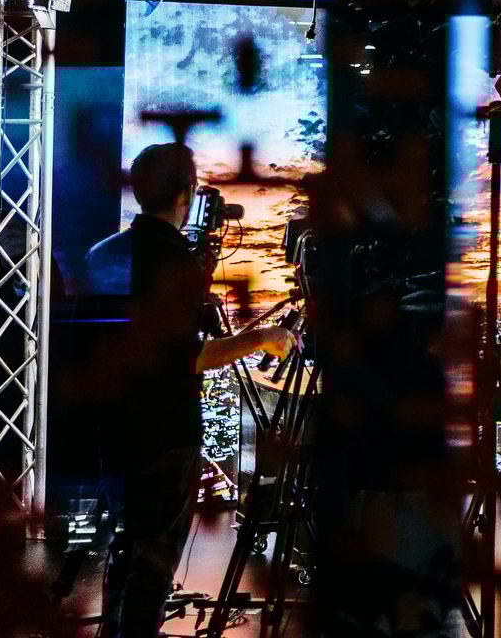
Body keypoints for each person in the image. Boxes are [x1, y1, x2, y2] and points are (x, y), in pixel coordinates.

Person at [83, 143, 295, 638]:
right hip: (163, 433)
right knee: (153, 560)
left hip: (113, 430)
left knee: (127, 546)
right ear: (186, 193)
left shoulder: (104, 255)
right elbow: (187, 358)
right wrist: (261, 337)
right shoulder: (175, 263)